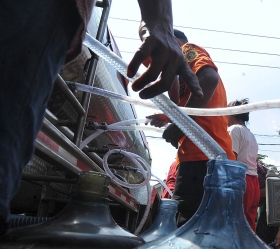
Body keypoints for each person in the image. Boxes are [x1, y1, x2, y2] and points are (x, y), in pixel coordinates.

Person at [0, 0, 202, 236]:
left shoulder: (190, 51)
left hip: (198, 152)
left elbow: (205, 85)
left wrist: (160, 24)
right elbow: (181, 102)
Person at [145, 30, 235, 227]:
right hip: (201, 156)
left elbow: (209, 79)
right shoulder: (181, 73)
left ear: (173, 41)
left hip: (203, 157)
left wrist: (180, 124)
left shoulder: (187, 50)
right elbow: (192, 104)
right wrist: (168, 118)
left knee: (188, 228)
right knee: (203, 227)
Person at [227, 98, 260, 231]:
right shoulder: (251, 135)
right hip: (254, 183)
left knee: (234, 223)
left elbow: (232, 160)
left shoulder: (234, 130)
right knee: (249, 225)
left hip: (240, 180)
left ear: (230, 113)